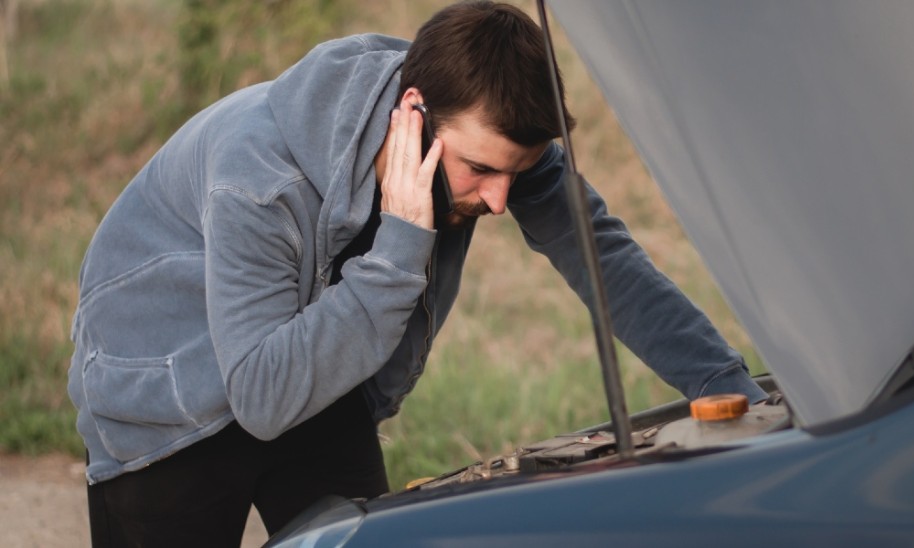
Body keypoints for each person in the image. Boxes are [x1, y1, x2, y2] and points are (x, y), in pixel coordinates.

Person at [68, 1, 767, 545]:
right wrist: (400, 248)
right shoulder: (260, 179)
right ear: (414, 114)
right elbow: (261, 396)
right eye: (482, 171)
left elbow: (605, 260)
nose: (500, 198)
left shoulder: (485, 132)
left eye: (514, 173)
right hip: (167, 397)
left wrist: (727, 389)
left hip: (312, 372)